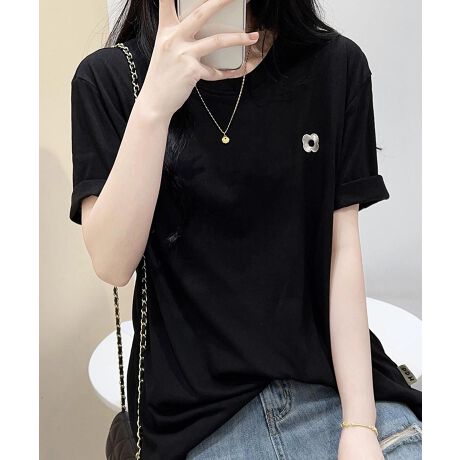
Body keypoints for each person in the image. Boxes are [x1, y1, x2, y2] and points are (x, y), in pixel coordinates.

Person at [69, 0, 422, 458]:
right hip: (198, 421)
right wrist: (153, 106)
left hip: (335, 391)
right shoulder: (111, 79)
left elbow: (342, 251)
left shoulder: (335, 66)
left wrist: (360, 424)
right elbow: (113, 263)